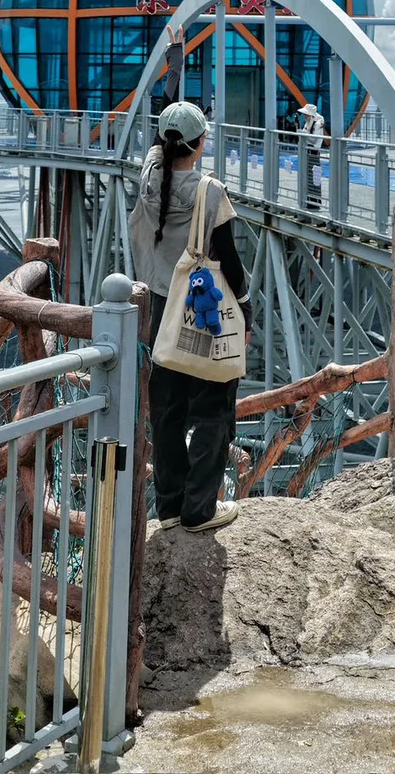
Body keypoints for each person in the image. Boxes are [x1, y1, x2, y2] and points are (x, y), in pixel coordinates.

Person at [129, 100, 251, 533]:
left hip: (157, 310)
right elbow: (229, 260)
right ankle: (200, 508)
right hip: (199, 312)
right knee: (214, 402)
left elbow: (157, 148)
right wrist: (245, 307)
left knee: (167, 409)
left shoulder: (149, 176)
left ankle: (170, 508)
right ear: (200, 144)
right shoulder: (208, 191)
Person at [297, 101, 326, 210]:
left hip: (314, 151)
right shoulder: (309, 122)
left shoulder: (317, 123)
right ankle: (309, 199)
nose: (304, 116)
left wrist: (302, 134)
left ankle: (315, 201)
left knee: (315, 176)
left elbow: (314, 139)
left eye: (306, 114)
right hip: (308, 150)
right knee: (309, 176)